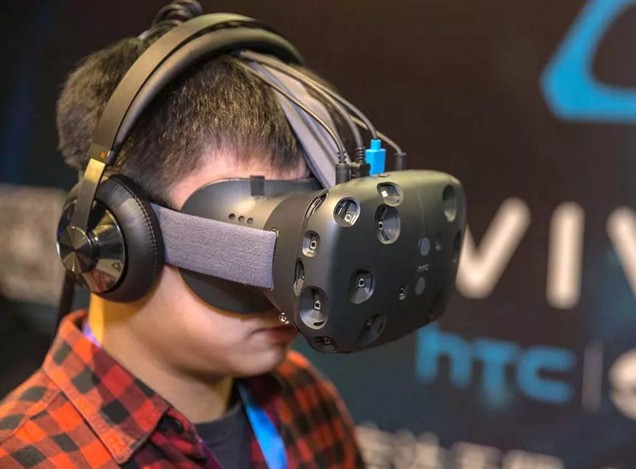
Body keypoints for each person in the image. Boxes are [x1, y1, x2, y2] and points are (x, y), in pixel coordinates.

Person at [0, 3, 364, 468]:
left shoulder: (307, 402)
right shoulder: (28, 458)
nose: (289, 293)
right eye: (249, 241)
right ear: (114, 234)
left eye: (304, 239)